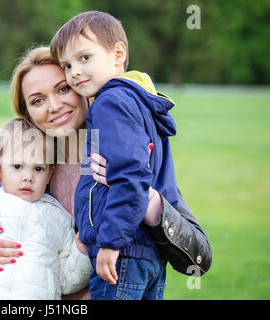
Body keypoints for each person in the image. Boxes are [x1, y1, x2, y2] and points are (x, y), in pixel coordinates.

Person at [0, 46, 212, 299]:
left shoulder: (124, 155)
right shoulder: (32, 169)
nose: (53, 106)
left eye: (62, 89)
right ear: (27, 112)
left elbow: (199, 259)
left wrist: (143, 196)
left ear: (81, 85)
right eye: (37, 100)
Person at [49, 10, 187, 299]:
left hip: (122, 252)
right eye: (67, 65)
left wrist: (110, 243)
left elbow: (131, 176)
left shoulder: (110, 101)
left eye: (84, 58)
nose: (74, 71)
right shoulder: (138, 99)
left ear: (118, 53)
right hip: (148, 252)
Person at [0, 118, 92, 299]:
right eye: (18, 166)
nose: (28, 176)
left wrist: (82, 251)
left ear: (50, 173)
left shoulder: (59, 218)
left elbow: (66, 281)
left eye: (38, 169)